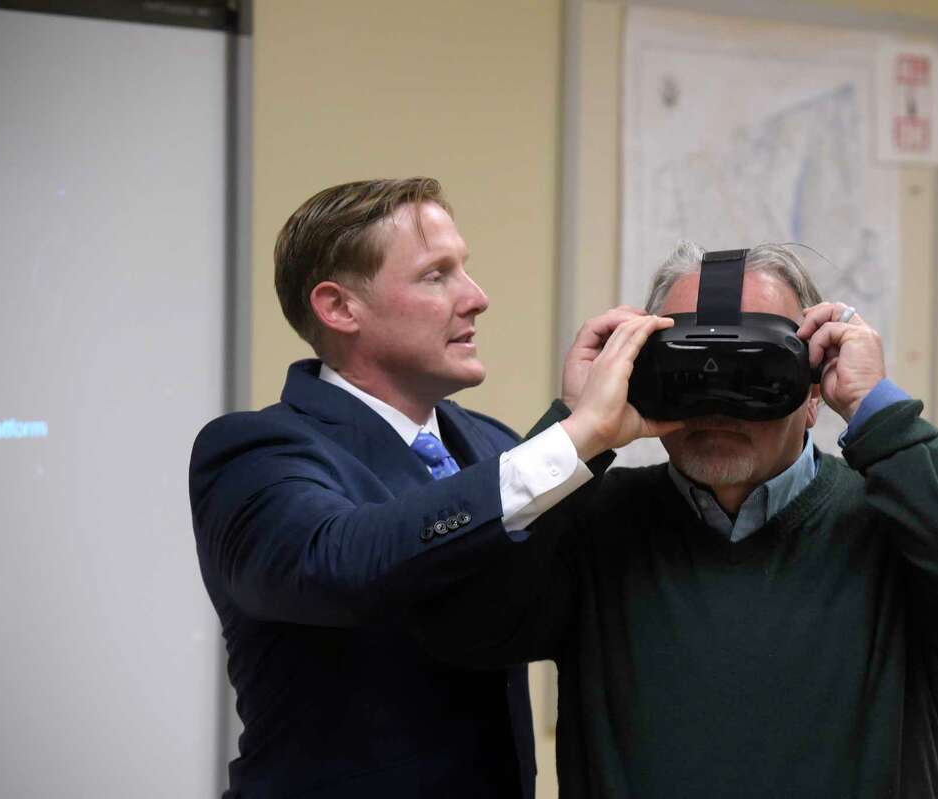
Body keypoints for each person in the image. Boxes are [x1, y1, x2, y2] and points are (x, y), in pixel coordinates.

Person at [411, 241, 938, 799]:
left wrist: (877, 414)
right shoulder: (594, 524)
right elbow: (465, 626)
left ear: (812, 390)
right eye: (689, 370)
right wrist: (576, 430)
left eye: (757, 370)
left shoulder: (895, 520)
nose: (718, 401)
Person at [188, 177, 675, 798]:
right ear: (339, 308)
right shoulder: (252, 452)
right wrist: (573, 439)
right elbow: (340, 562)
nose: (477, 298)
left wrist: (575, 424)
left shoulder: (497, 446)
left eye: (463, 270)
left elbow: (539, 596)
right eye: (436, 275)